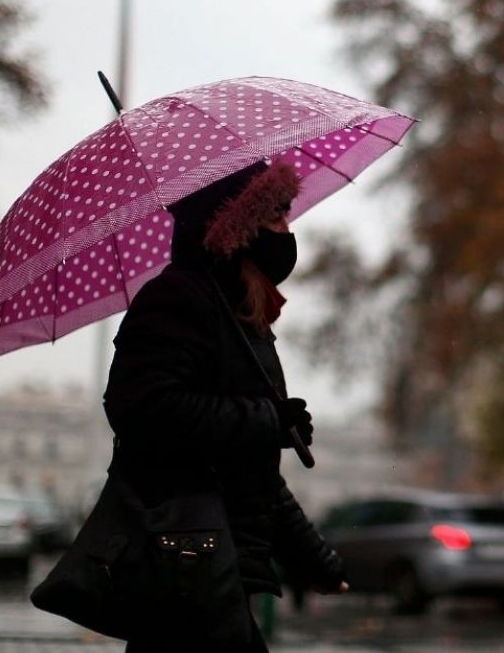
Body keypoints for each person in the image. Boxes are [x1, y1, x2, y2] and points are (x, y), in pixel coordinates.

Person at [103, 160, 348, 651]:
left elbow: (253, 476)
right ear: (236, 229)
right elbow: (143, 409)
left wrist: (312, 560)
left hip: (217, 570)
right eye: (276, 216)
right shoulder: (179, 300)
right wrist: (266, 420)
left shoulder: (237, 313)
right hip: (186, 565)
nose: (287, 230)